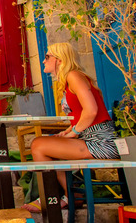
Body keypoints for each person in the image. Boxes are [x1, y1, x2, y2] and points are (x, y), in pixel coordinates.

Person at [22, 42, 120, 212]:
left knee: (39, 145)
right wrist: (67, 131)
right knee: (44, 144)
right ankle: (66, 195)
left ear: (59, 60)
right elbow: (80, 115)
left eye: (47, 57)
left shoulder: (74, 76)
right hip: (88, 138)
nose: (43, 61)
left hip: (100, 141)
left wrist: (73, 133)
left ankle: (53, 198)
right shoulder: (67, 81)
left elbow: (91, 111)